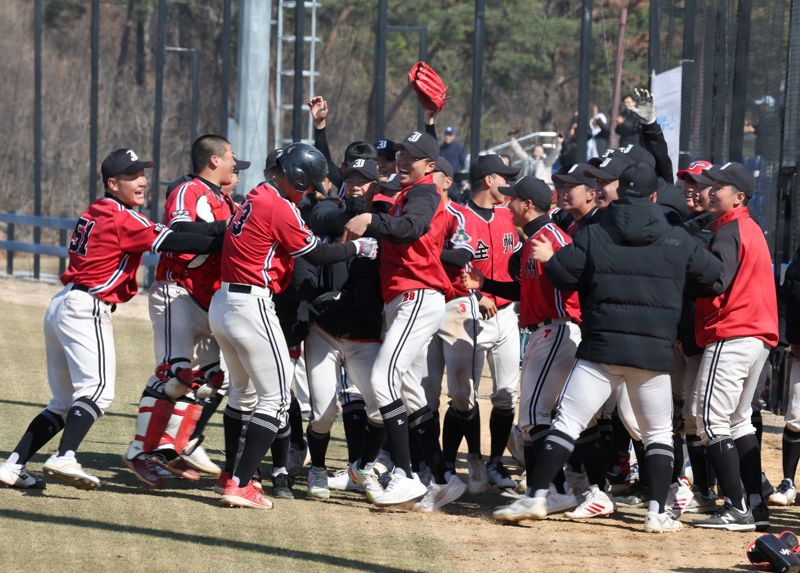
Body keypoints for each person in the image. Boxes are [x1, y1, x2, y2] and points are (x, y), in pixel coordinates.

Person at [0, 148, 224, 490]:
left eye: (142, 174)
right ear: (112, 183)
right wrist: (224, 234)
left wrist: (216, 232)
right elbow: (174, 241)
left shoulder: (98, 210)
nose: (143, 181)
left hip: (62, 305)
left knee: (63, 404)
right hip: (86, 308)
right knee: (98, 391)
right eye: (133, 176)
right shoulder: (122, 216)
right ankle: (64, 457)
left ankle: (13, 465)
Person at [525, 162, 722, 533]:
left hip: (601, 348)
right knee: (658, 433)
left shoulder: (595, 229)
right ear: (652, 195)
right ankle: (655, 513)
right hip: (653, 352)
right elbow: (713, 280)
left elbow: (566, 276)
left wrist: (550, 260)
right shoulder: (677, 235)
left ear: (620, 192)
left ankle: (534, 495)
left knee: (567, 422)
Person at [209, 142, 379, 510]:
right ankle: (241, 484)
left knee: (242, 392)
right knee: (276, 397)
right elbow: (315, 253)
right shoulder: (278, 205)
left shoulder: (258, 192)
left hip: (223, 301)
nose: (308, 191)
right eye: (308, 184)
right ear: (298, 177)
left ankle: (230, 474)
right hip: (250, 302)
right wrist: (357, 249)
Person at [342, 131, 461, 507]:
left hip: (417, 295)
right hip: (404, 297)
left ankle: (407, 474)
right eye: (402, 154)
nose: (404, 161)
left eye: (413, 156)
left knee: (382, 378)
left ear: (430, 165)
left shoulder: (424, 192)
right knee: (408, 393)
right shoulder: (410, 192)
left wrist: (371, 222)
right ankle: (442, 479)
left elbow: (411, 228)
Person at [460, 175, 583, 522]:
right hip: (542, 332)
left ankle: (551, 491)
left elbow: (576, 281)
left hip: (558, 329)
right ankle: (553, 490)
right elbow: (523, 291)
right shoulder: (534, 239)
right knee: (533, 419)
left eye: (512, 200)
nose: (506, 204)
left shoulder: (554, 239)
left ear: (527, 205)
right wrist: (488, 285)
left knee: (534, 417)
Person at [123, 134, 237, 488]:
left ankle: (172, 447)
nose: (235, 163)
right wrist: (224, 232)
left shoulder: (227, 201)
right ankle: (140, 453)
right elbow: (180, 231)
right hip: (178, 292)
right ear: (214, 160)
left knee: (219, 376)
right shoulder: (190, 190)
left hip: (208, 300)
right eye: (231, 156)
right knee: (175, 374)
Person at [689, 162, 779, 531]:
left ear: (738, 197)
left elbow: (715, 283)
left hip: (735, 332)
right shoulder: (748, 227)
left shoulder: (729, 230)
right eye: (710, 185)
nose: (710, 192)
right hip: (754, 336)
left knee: (709, 421)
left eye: (718, 187)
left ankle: (738, 508)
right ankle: (754, 503)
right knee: (739, 420)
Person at [301, 158, 386, 502]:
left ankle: (361, 468)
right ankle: (317, 468)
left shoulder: (386, 218)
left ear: (376, 186)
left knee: (382, 408)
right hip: (325, 330)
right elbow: (317, 216)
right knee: (323, 413)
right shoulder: (330, 211)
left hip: (365, 334)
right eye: (350, 177)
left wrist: (375, 222)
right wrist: (357, 220)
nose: (355, 184)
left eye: (363, 180)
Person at [459, 154, 523, 490]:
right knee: (465, 396)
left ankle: (497, 462)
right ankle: (474, 460)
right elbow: (451, 264)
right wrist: (476, 295)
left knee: (504, 395)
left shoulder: (511, 215)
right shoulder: (460, 217)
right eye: (504, 178)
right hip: (470, 316)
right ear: (488, 180)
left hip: (507, 314)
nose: (509, 185)